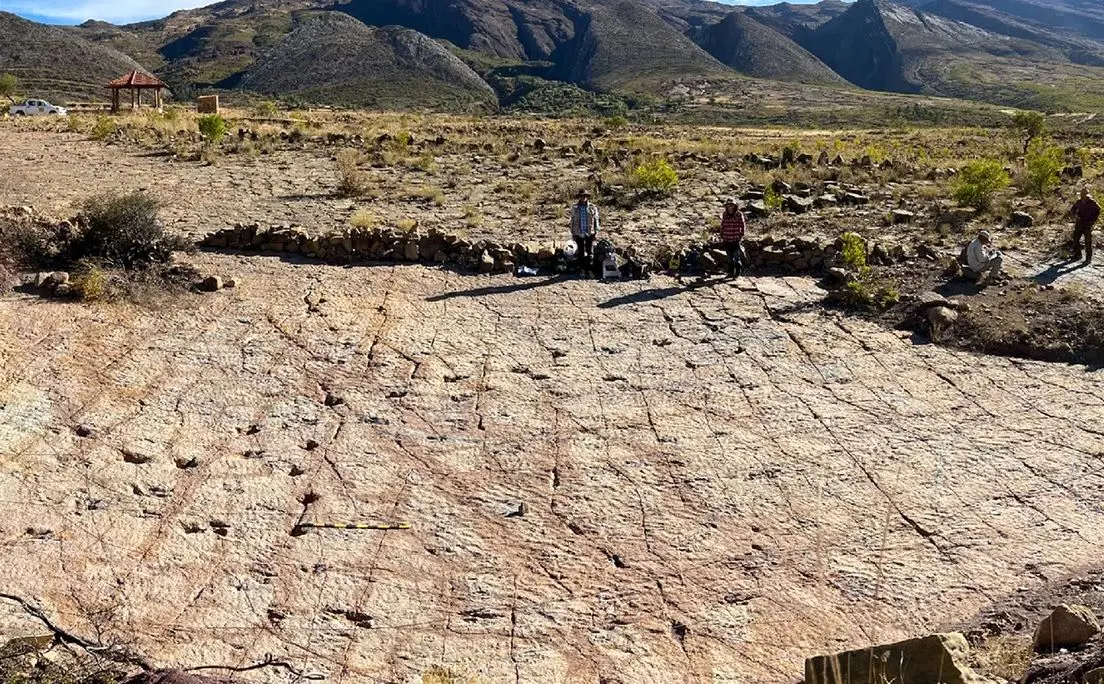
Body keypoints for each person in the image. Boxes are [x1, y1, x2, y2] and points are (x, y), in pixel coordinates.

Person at [716, 199, 746, 278]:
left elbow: (742, 225)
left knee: (736, 258)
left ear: (735, 206)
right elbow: (723, 225)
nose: (730, 207)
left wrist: (741, 235)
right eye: (728, 205)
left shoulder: (739, 214)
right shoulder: (725, 214)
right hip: (726, 238)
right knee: (729, 258)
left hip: (735, 239)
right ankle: (730, 273)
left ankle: (737, 273)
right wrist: (721, 234)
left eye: (732, 205)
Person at [569, 189, 599, 269]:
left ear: (587, 197)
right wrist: (572, 232)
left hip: (590, 232)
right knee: (580, 251)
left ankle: (589, 269)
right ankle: (581, 269)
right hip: (578, 232)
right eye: (582, 196)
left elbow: (596, 220)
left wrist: (596, 231)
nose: (583, 198)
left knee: (590, 252)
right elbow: (572, 220)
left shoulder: (592, 207)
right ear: (579, 197)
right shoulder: (574, 207)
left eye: (585, 196)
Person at [1069, 187, 1100, 263]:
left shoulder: (1092, 202)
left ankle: (1088, 258)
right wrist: (1075, 216)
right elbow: (1073, 209)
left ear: (1087, 194)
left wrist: (1093, 221)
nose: (1082, 195)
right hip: (1079, 223)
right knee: (1075, 238)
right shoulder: (1079, 202)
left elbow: (1098, 210)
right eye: (1081, 193)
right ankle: (1078, 255)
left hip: (1087, 224)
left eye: (1084, 193)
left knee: (1088, 242)